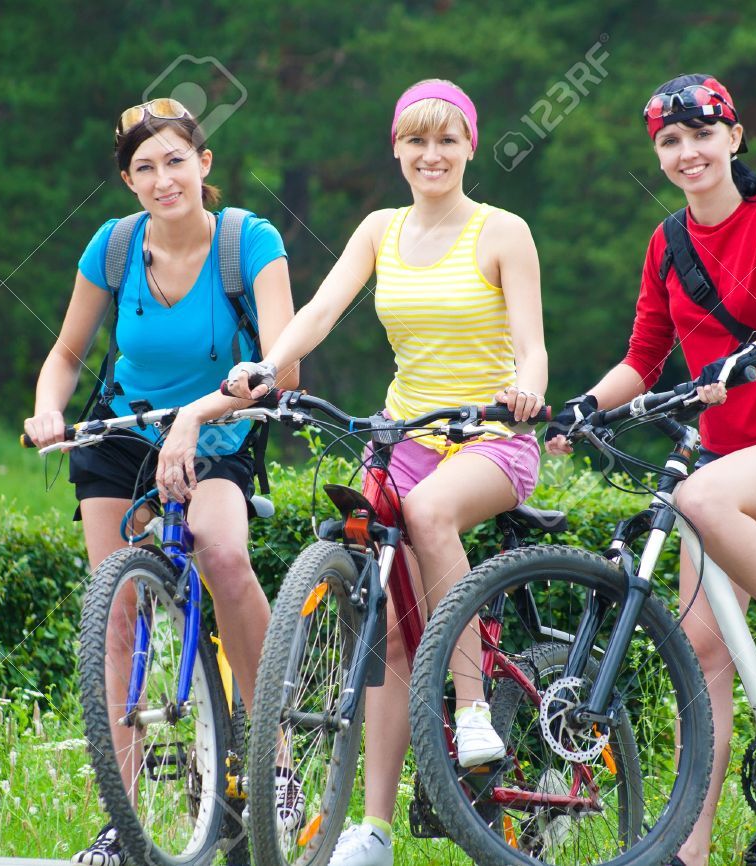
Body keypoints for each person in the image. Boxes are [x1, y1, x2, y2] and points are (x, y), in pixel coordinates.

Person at [226, 79, 548, 866]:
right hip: (404, 436)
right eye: (415, 141)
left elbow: (534, 347)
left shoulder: (503, 231)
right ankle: (372, 829)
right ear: (396, 150)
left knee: (433, 513)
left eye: (446, 140)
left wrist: (527, 390)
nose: (430, 155)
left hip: (490, 440)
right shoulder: (380, 229)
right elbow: (321, 312)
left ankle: (472, 707)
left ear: (471, 146)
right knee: (386, 629)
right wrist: (269, 366)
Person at [548, 74, 756, 866]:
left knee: (696, 494)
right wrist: (582, 407)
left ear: (734, 137)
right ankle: (687, 854)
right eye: (669, 141)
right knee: (702, 655)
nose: (688, 153)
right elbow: (643, 359)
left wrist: (752, 352)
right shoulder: (667, 243)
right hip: (724, 465)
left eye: (700, 135)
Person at [23, 97, 297, 866]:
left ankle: (274, 763)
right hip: (123, 433)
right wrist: (48, 410)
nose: (162, 178)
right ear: (127, 181)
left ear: (204, 165)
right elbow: (68, 354)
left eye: (176, 160)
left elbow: (284, 367)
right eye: (144, 167)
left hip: (221, 427)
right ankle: (125, 817)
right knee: (114, 605)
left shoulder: (249, 240)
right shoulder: (113, 247)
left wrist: (196, 418)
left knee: (220, 551)